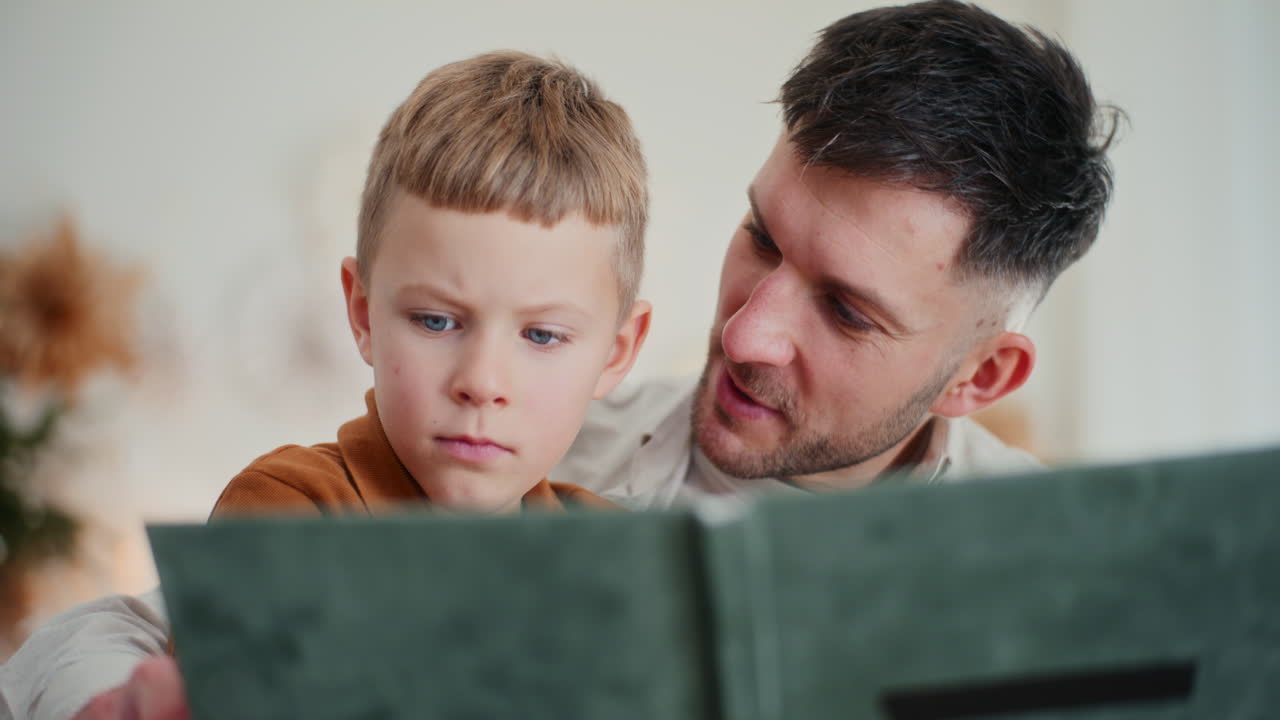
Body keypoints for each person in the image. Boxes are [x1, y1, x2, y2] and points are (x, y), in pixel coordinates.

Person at [0, 2, 1120, 718]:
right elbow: (104, 637)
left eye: (844, 309)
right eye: (761, 237)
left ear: (980, 378)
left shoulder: (1066, 591)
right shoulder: (525, 450)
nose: (744, 332)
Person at [210, 49, 651, 519]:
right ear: (363, 314)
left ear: (616, 351)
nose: (481, 383)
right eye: (436, 321)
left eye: (542, 335)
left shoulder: (618, 543)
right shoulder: (287, 507)